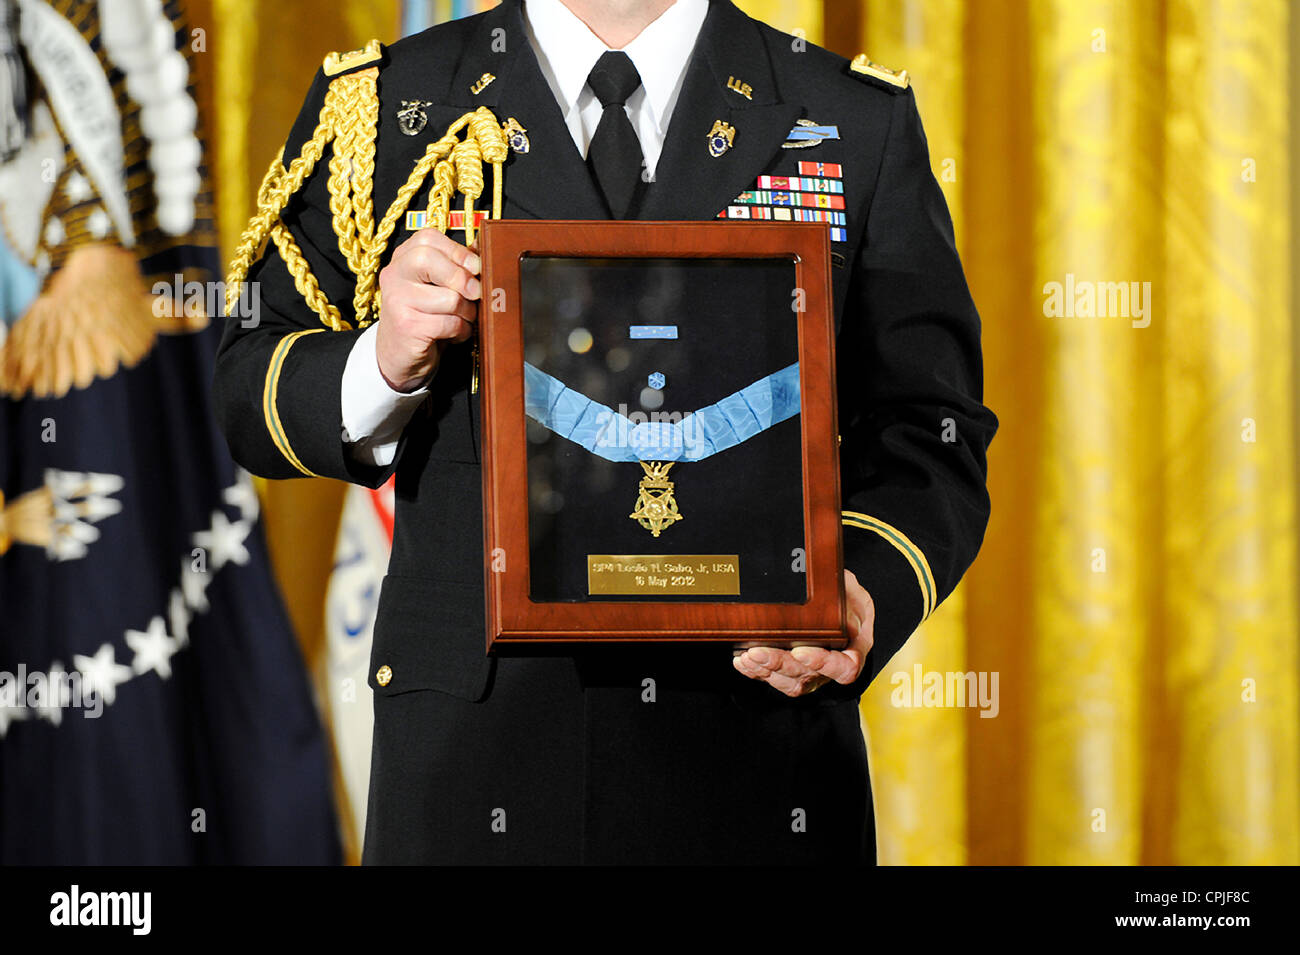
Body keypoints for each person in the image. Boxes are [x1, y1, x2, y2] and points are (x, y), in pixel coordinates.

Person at [214, 0, 997, 864]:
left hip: (753, 769)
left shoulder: (849, 116)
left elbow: (931, 429)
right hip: (474, 776)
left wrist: (861, 586)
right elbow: (246, 392)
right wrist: (381, 362)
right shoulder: (390, 104)